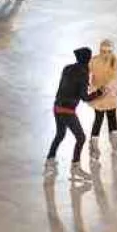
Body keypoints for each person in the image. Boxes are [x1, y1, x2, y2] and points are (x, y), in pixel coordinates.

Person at [44, 47, 99, 181]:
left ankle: (49, 161)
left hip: (57, 107)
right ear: (87, 60)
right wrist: (99, 93)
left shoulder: (67, 68)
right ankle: (75, 167)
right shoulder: (83, 73)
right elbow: (84, 97)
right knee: (81, 137)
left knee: (60, 134)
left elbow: (68, 86)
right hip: (67, 111)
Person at [88, 39, 117, 164]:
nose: (106, 54)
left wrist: (107, 88)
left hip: (110, 94)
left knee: (112, 116)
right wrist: (91, 87)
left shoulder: (115, 61)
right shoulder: (94, 61)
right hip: (99, 95)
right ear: (100, 51)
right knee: (98, 118)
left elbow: (114, 78)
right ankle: (94, 142)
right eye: (103, 51)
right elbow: (88, 74)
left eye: (108, 51)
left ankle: (114, 137)